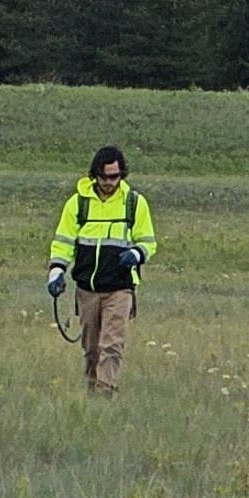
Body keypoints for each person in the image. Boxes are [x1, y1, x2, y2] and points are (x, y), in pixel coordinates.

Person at [48, 144, 155, 394]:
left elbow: (148, 241)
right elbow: (63, 242)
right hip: (87, 289)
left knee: (112, 344)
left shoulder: (134, 204)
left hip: (119, 289)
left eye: (115, 177)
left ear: (122, 175)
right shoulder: (77, 204)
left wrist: (137, 253)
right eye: (104, 177)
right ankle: (91, 390)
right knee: (92, 347)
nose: (109, 182)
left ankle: (105, 391)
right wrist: (56, 271)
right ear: (95, 175)